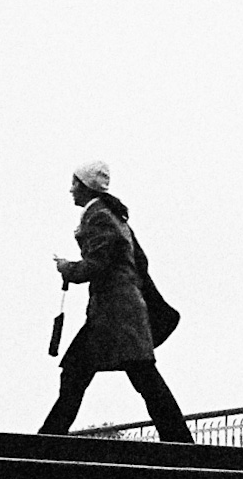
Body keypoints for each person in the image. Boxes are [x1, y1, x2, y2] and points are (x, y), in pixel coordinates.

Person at [39, 161, 194, 443]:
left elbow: (96, 264)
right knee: (137, 375)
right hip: (123, 311)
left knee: (84, 372)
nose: (70, 189)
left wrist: (67, 268)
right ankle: (180, 440)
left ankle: (46, 440)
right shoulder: (114, 216)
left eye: (74, 183)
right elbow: (139, 261)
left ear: (85, 187)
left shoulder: (98, 217)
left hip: (113, 314)